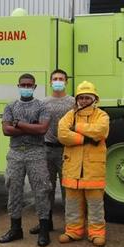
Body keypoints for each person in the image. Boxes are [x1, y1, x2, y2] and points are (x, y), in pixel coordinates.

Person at [0, 73, 52, 247]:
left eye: (30, 85)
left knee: (41, 189)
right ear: (18, 85)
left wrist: (18, 124)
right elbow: (6, 130)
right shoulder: (10, 106)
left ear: (34, 87)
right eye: (24, 85)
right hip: (15, 153)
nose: (26, 87)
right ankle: (15, 229)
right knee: (13, 188)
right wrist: (31, 127)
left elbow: (42, 129)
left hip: (36, 152)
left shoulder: (42, 106)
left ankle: (44, 230)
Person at [57, 81, 110, 247]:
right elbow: (62, 134)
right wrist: (85, 139)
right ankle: (73, 231)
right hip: (72, 169)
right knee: (72, 204)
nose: (85, 100)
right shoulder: (69, 115)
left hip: (93, 170)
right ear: (77, 99)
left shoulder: (102, 115)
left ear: (94, 99)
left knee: (95, 205)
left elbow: (100, 131)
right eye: (82, 97)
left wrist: (77, 127)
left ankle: (97, 233)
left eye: (88, 97)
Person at [29, 69, 75, 235]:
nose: (58, 81)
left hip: (66, 151)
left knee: (67, 191)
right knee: (46, 189)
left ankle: (71, 226)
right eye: (55, 78)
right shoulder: (43, 103)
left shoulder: (73, 102)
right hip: (47, 149)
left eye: (61, 78)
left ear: (66, 82)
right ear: (50, 82)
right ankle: (45, 223)